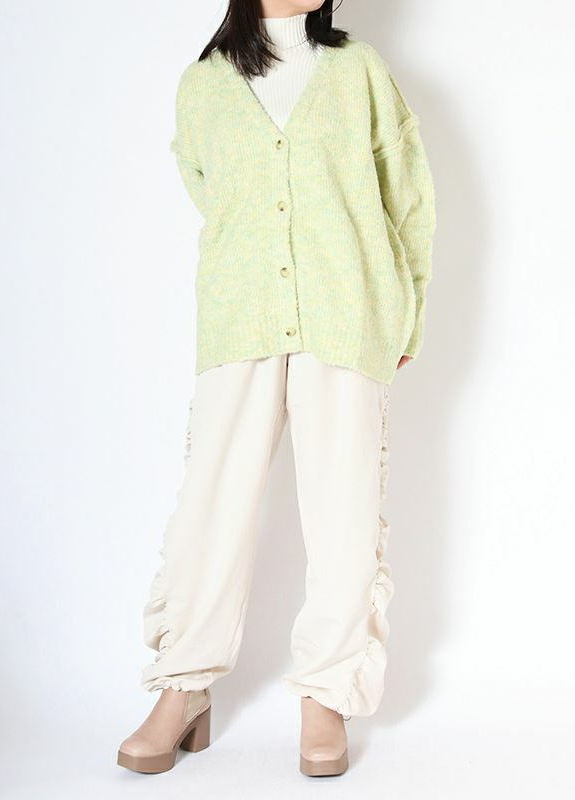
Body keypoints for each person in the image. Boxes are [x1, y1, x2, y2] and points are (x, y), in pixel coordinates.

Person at [117, 0, 436, 778]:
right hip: (239, 315)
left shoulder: (359, 72)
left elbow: (409, 198)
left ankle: (327, 693)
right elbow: (211, 190)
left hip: (349, 312)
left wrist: (405, 314)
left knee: (344, 512)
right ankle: (183, 686)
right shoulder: (204, 84)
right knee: (209, 509)